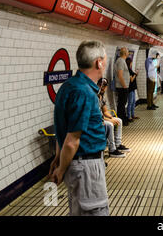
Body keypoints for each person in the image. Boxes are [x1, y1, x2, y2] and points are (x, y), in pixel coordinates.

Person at [49, 40, 109, 216]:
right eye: (104, 60)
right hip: (87, 167)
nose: (105, 63)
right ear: (98, 62)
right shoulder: (84, 92)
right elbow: (72, 140)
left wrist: (59, 158)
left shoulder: (69, 86)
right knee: (94, 212)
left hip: (78, 164)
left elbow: (65, 129)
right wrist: (60, 169)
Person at [97, 78, 130, 157]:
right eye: (101, 85)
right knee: (109, 125)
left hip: (101, 118)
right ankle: (112, 149)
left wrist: (111, 117)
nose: (102, 88)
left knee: (118, 120)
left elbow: (105, 111)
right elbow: (96, 115)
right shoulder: (94, 97)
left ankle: (118, 144)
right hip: (97, 120)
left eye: (105, 86)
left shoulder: (102, 97)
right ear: (97, 85)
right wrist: (108, 120)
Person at [115, 47, 130, 123]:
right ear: (124, 53)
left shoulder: (122, 61)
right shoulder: (121, 61)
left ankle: (123, 118)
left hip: (123, 86)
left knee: (123, 103)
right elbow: (120, 75)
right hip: (122, 87)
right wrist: (124, 86)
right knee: (121, 103)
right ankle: (121, 119)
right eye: (127, 52)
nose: (128, 53)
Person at [125, 57, 139, 122]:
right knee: (130, 102)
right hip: (130, 88)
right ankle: (129, 116)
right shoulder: (128, 70)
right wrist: (135, 74)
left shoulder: (130, 69)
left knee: (133, 102)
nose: (132, 64)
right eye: (131, 62)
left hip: (132, 88)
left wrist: (136, 74)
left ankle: (133, 114)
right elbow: (131, 79)